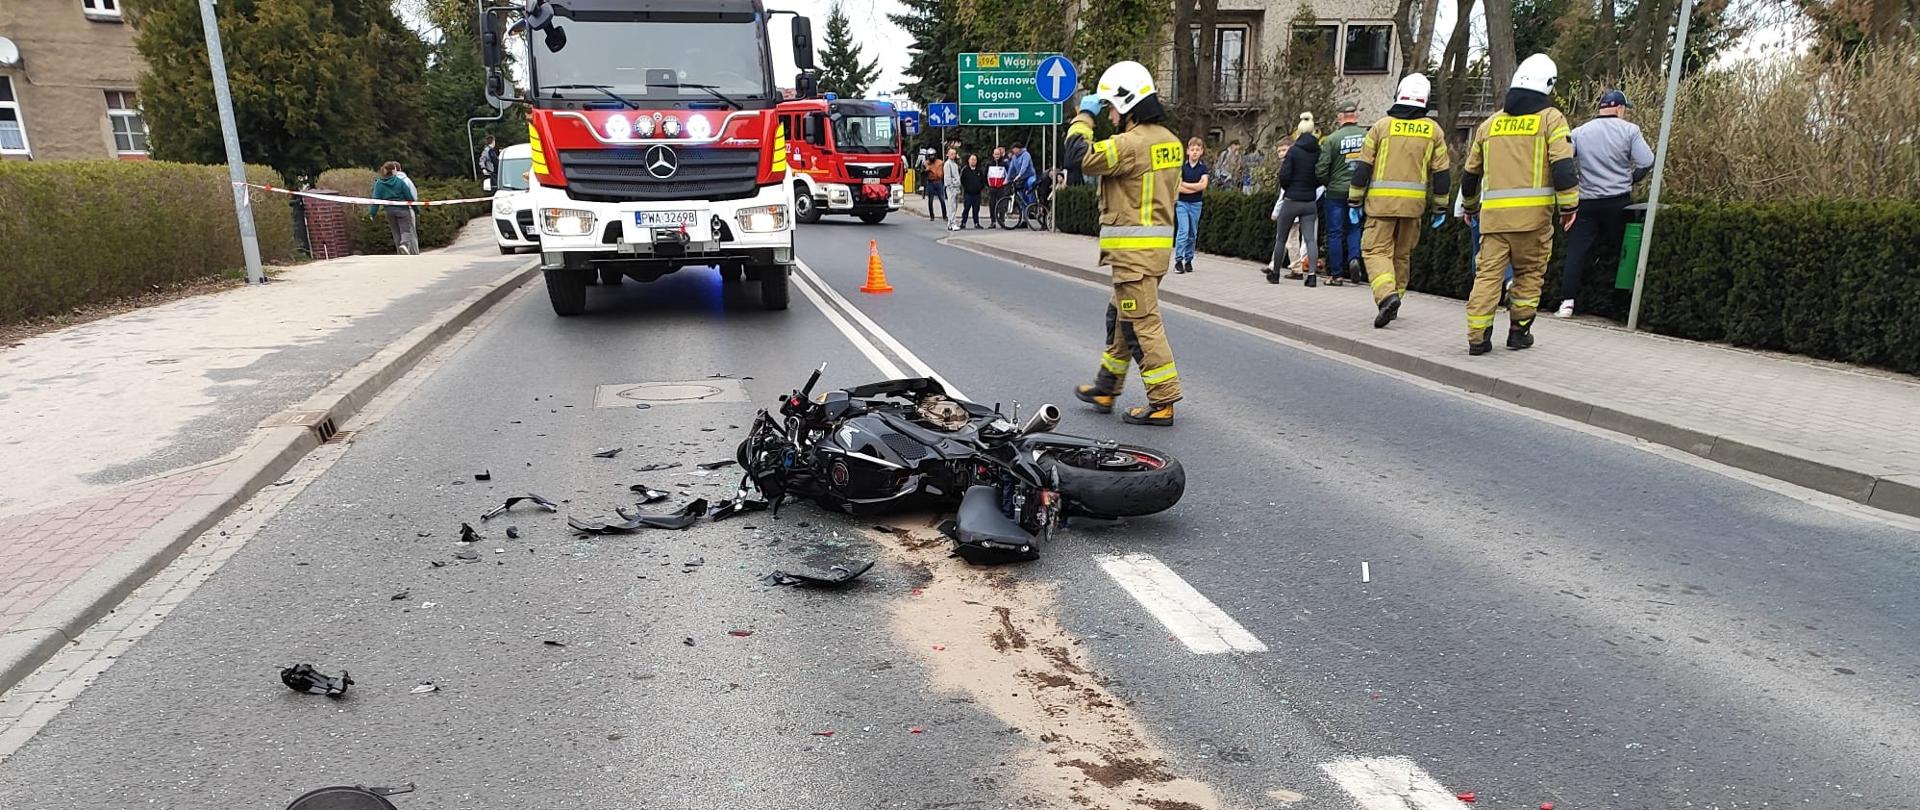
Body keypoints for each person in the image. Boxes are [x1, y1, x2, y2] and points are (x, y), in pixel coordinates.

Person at [1067, 61, 1185, 426]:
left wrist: (1084, 118)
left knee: (1140, 325)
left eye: (1112, 107)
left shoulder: (1131, 144)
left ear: (1128, 102)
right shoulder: (1169, 141)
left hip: (1134, 255)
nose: (1111, 115)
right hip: (1151, 251)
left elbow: (1077, 157)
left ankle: (1162, 401)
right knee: (1120, 318)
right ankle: (1106, 387)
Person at [1460, 53, 1581, 355]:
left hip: (1493, 221)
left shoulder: (1490, 125)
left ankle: (1478, 337)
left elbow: (1470, 174)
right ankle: (1519, 332)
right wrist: (1569, 207)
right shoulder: (1551, 120)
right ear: (1548, 85)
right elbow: (1563, 167)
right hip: (1533, 221)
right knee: (1528, 275)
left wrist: (1470, 207)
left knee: (1487, 276)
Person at [1348, 73, 1451, 329]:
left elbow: (1363, 168)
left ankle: (1386, 296)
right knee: (1401, 255)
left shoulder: (1381, 127)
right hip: (1413, 208)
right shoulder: (1433, 131)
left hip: (1381, 206)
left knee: (1375, 251)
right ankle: (1396, 300)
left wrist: (1354, 201)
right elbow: (1442, 174)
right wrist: (1440, 206)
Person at [1557, 88, 1653, 317]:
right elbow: (1647, 160)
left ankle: (1567, 303)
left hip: (1586, 201)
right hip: (1618, 201)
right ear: (1620, 108)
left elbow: (1565, 162)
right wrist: (1632, 178)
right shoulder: (1630, 130)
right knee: (1619, 252)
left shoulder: (1580, 132)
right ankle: (1616, 305)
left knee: (1576, 252)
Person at [1316, 102, 1368, 284]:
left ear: (1340, 117)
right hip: (1358, 192)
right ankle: (1354, 259)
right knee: (1354, 229)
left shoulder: (1332, 139)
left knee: (1335, 233)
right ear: (1356, 115)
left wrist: (1329, 183)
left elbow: (1321, 169)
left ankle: (1336, 274)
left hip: (1336, 193)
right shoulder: (1367, 136)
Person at [1268, 113, 1321, 286]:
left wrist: (1288, 187)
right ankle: (1311, 276)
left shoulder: (1294, 151)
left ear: (1298, 132)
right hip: (1309, 201)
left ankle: (1275, 273)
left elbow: (1284, 175)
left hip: (1291, 200)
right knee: (1310, 239)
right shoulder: (1318, 151)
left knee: (1281, 238)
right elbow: (1321, 174)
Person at [1172, 137, 1209, 274]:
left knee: (1192, 233)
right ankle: (1178, 260)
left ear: (1201, 152)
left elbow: (1203, 185)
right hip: (1182, 203)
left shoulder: (1203, 168)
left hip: (1196, 204)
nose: (1194, 152)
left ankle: (1188, 259)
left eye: (1197, 150)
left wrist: (1186, 185)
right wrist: (1195, 186)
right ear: (1187, 151)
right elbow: (1177, 187)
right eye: (1192, 149)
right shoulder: (1182, 167)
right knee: (1183, 230)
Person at [371, 161, 420, 255]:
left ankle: (400, 252)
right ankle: (404, 245)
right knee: (405, 230)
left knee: (395, 231)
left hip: (389, 211)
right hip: (403, 210)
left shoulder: (379, 184)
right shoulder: (400, 182)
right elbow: (409, 196)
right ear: (394, 170)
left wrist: (372, 213)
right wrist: (416, 209)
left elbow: (376, 199)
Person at [959, 153, 987, 229]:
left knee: (976, 209)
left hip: (977, 194)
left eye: (975, 160)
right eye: (972, 159)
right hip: (968, 193)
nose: (973, 161)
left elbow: (983, 181)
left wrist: (980, 188)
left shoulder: (979, 170)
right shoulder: (965, 170)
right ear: (968, 160)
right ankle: (963, 223)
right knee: (966, 208)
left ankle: (976, 223)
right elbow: (962, 181)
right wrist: (967, 188)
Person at [922, 150, 948, 222]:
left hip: (939, 182)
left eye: (933, 155)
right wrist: (925, 171)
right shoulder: (925, 163)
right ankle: (932, 216)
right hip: (930, 182)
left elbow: (944, 171)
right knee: (930, 200)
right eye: (930, 155)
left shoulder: (940, 162)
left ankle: (944, 216)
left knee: (942, 200)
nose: (932, 157)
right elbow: (922, 174)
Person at [943, 147, 964, 231]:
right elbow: (947, 177)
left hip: (956, 188)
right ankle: (952, 223)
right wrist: (952, 186)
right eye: (952, 154)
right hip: (951, 188)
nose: (953, 155)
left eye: (954, 154)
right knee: (952, 206)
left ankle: (950, 223)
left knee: (954, 206)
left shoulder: (954, 164)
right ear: (948, 154)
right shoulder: (947, 164)